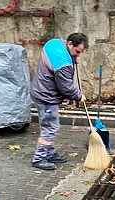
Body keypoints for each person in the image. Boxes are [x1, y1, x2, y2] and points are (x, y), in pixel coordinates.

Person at [30, 33, 88, 170]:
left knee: (48, 125)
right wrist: (79, 96)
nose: (78, 56)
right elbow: (66, 88)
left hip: (40, 91)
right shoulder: (63, 62)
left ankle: (49, 153)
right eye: (77, 52)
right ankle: (39, 158)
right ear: (69, 44)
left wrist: (74, 58)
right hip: (46, 97)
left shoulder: (55, 44)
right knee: (50, 127)